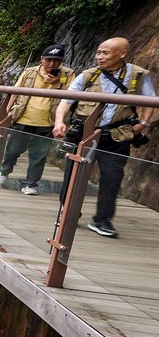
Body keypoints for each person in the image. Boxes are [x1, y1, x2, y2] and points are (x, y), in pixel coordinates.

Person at [53, 37, 155, 237]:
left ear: (122, 53)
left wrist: (142, 124)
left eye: (105, 53)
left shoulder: (138, 75)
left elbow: (151, 100)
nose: (99, 57)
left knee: (112, 177)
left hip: (117, 135)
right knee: (73, 174)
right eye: (98, 52)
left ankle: (102, 219)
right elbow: (66, 101)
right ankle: (68, 212)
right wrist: (59, 121)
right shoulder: (88, 76)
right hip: (84, 132)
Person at [0, 44, 74, 195]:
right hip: (23, 118)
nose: (52, 64)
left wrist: (56, 83)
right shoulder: (30, 73)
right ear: (41, 59)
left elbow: (71, 96)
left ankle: (30, 184)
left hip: (48, 121)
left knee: (39, 155)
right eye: (48, 60)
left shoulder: (67, 74)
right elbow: (14, 92)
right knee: (13, 150)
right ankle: (5, 170)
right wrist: (4, 114)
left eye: (56, 60)